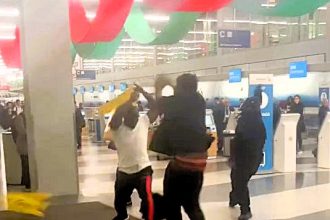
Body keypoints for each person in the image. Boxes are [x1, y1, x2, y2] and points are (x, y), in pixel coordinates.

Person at [156, 74, 209, 220]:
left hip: (182, 162)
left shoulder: (176, 102)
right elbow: (183, 95)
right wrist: (173, 86)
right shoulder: (199, 100)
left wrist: (160, 86)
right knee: (192, 204)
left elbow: (159, 104)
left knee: (171, 204)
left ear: (180, 88)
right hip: (199, 161)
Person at [110, 84, 158, 220]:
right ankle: (122, 216)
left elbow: (155, 107)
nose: (136, 117)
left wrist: (143, 92)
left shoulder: (143, 122)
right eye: (133, 114)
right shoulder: (117, 129)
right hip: (124, 172)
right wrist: (129, 101)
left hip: (143, 169)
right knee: (119, 201)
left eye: (137, 114)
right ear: (125, 116)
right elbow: (116, 116)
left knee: (148, 199)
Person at [229, 86, 266, 220]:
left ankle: (245, 210)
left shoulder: (245, 121)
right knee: (238, 179)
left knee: (239, 181)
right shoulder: (258, 122)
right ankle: (234, 198)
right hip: (252, 158)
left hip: (244, 159)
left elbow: (240, 139)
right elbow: (262, 140)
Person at [12, 108, 31, 191]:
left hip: (26, 145)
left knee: (27, 164)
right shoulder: (19, 118)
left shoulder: (24, 118)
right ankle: (27, 183)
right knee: (26, 164)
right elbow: (22, 131)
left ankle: (28, 183)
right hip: (23, 145)